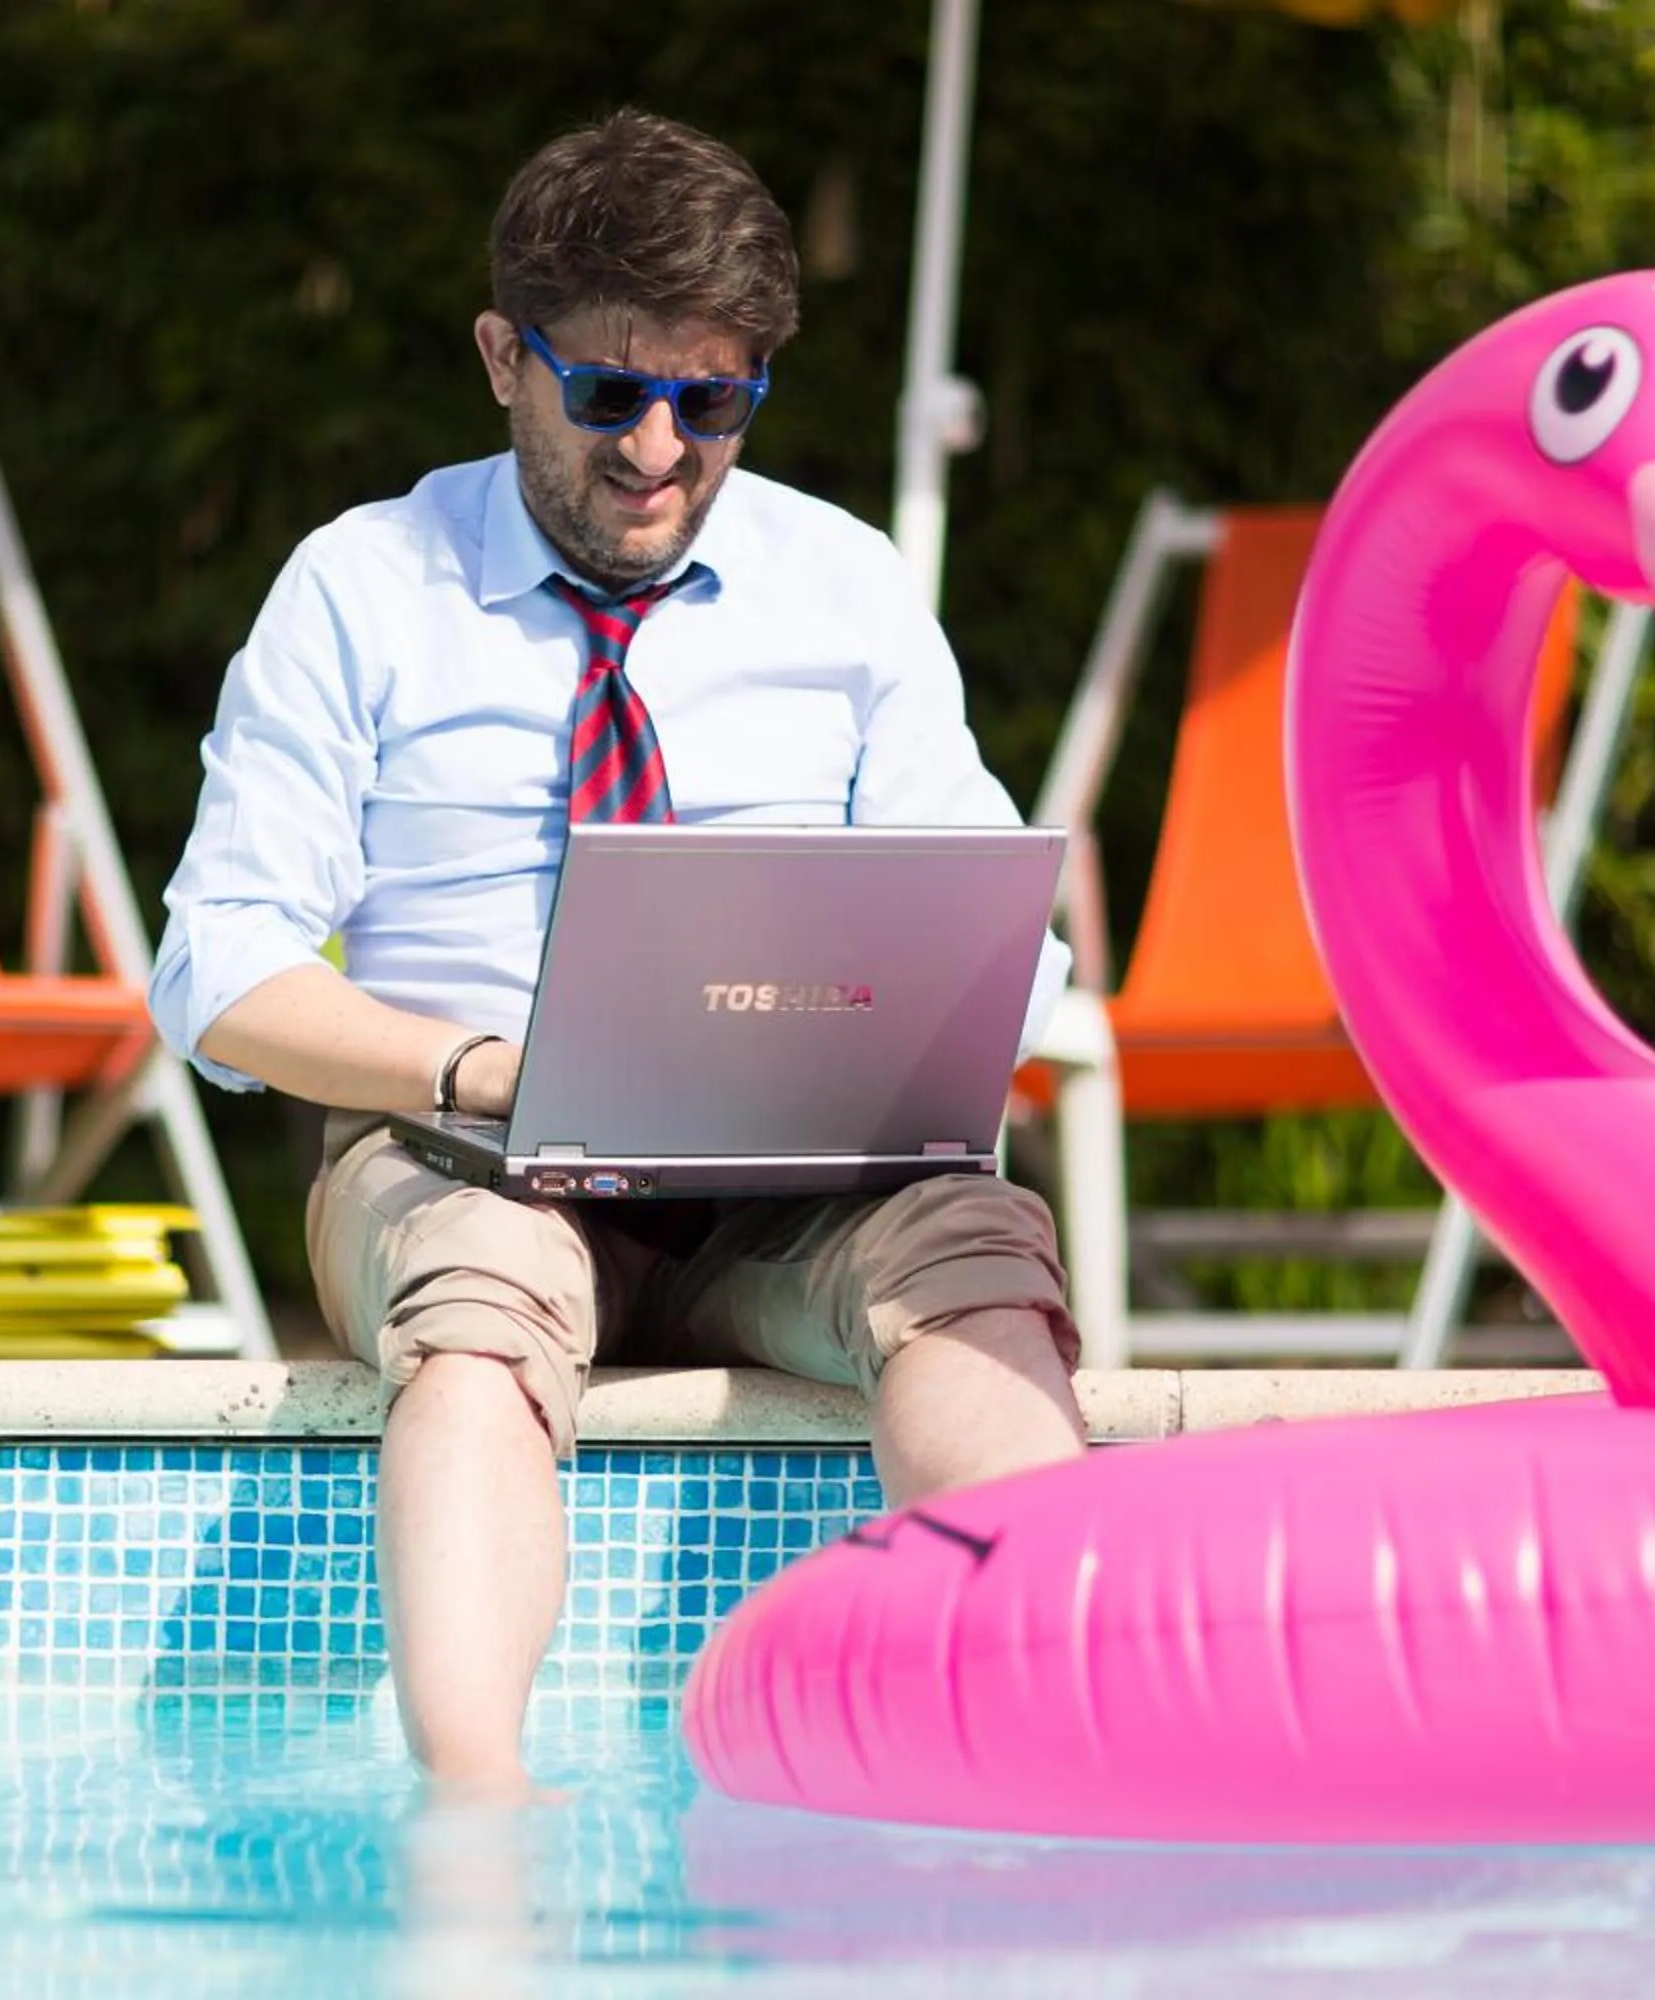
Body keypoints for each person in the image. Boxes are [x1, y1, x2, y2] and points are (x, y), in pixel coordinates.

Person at [147, 108, 1086, 1801]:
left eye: (713, 402)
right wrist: (485, 1069)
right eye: (609, 395)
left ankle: (1042, 1752)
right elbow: (219, 976)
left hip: (797, 1168)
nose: (659, 449)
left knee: (976, 1252)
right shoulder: (362, 589)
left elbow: (1012, 953)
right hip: (468, 1147)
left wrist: (892, 1026)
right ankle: (478, 1821)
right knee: (484, 1311)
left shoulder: (848, 589)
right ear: (506, 357)